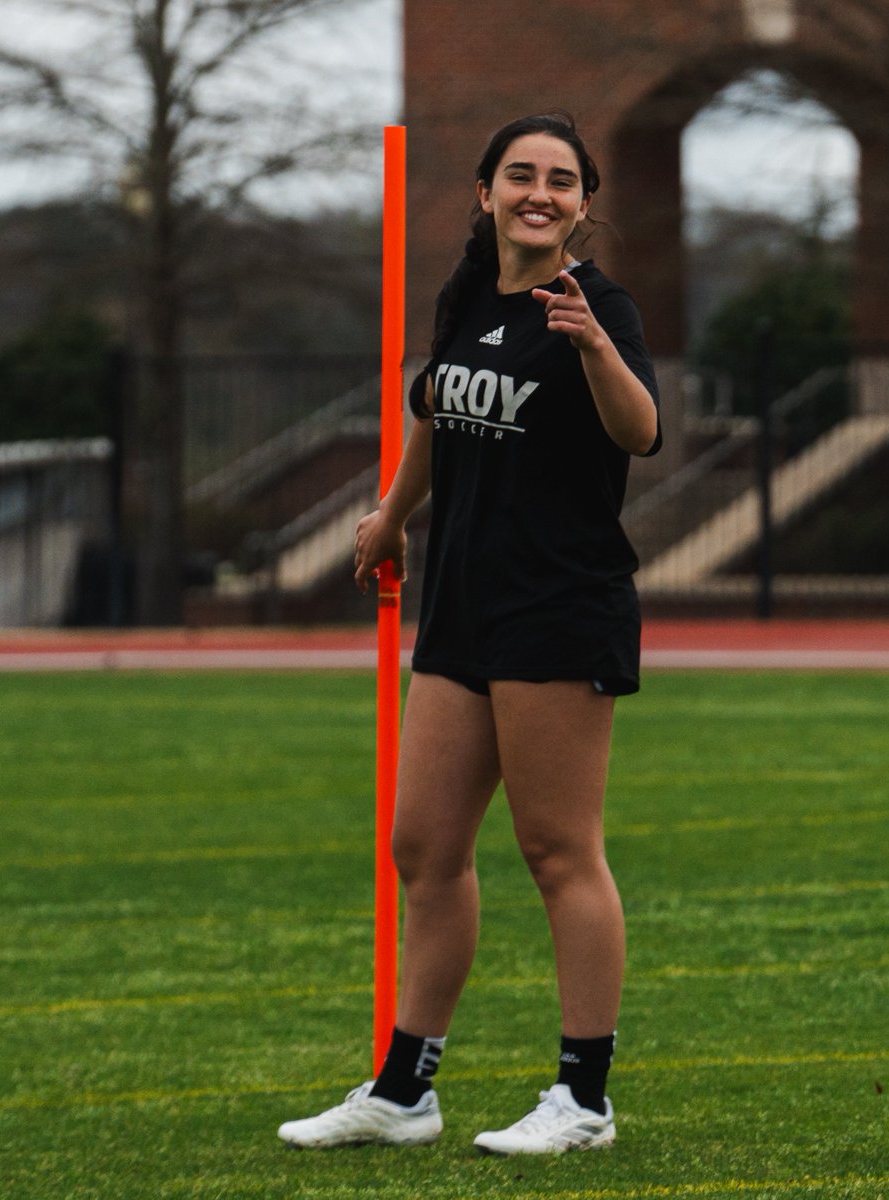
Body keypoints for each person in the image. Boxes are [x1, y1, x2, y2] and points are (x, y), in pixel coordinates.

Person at [277, 111, 661, 1157]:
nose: (541, 192)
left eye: (563, 180)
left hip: (559, 605)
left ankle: (583, 1101)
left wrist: (591, 349)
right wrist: (394, 512)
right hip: (462, 606)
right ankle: (405, 1092)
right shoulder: (465, 297)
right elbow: (439, 413)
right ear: (487, 190)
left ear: (584, 204)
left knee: (557, 850)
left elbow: (642, 433)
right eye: (521, 175)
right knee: (424, 847)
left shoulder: (598, 304)